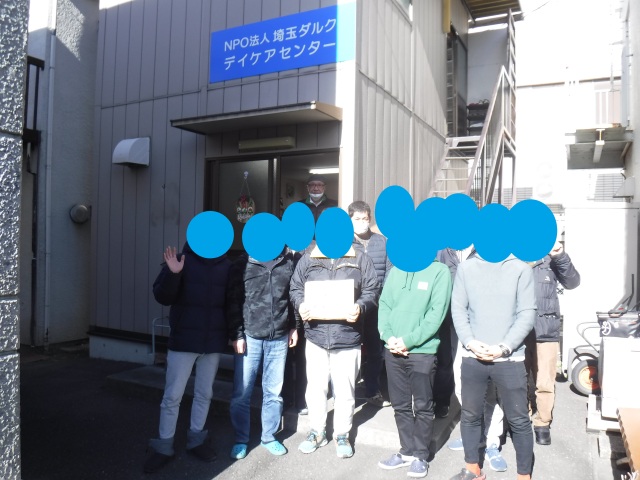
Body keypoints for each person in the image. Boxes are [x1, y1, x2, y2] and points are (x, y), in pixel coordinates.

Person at [144, 243, 233, 474]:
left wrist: (233, 335)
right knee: (172, 395)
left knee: (204, 393)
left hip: (212, 343)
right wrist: (173, 273)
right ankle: (164, 446)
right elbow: (162, 296)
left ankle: (197, 440)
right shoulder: (181, 260)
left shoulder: (226, 266)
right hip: (184, 341)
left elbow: (231, 303)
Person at [289, 241, 379, 459]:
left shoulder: (359, 257)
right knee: (315, 388)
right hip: (316, 337)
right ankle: (317, 432)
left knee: (345, 391)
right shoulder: (309, 257)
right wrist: (301, 304)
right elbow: (295, 287)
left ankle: (342, 434)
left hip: (347, 337)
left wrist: (360, 306)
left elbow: (372, 289)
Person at [450, 253, 536, 480]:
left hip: (510, 359)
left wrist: (504, 346)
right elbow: (458, 309)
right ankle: (472, 469)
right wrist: (469, 341)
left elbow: (527, 314)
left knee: (518, 419)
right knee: (470, 415)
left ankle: (524, 475)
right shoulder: (466, 268)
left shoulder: (520, 269)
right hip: (473, 357)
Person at [376, 262, 452, 478]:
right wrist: (388, 336)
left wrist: (408, 341)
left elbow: (436, 314)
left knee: (423, 405)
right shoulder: (396, 270)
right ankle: (406, 451)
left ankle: (420, 455)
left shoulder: (440, 271)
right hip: (392, 349)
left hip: (422, 351)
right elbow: (384, 305)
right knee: (400, 405)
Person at [440, 247, 508, 473]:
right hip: (461, 332)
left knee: (491, 393)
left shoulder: (488, 250)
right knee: (463, 388)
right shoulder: (446, 251)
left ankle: (491, 442)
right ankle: (473, 435)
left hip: (490, 332)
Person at [227, 247, 298, 460]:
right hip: (250, 337)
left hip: (279, 336)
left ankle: (268, 437)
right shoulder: (242, 264)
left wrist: (294, 327)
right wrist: (237, 334)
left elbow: (292, 298)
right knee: (242, 392)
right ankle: (241, 439)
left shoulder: (287, 263)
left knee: (274, 392)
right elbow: (232, 301)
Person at [528, 240, 580, 446]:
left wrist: (560, 255)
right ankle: (521, 418)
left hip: (546, 330)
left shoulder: (550, 258)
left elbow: (572, 282)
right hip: (518, 331)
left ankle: (542, 422)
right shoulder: (513, 256)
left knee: (545, 381)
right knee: (519, 379)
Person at [348, 201, 393, 408]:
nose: (362, 222)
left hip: (377, 305)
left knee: (376, 350)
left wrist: (384, 296)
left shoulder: (382, 242)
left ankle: (372, 391)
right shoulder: (344, 243)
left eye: (365, 219)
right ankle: (346, 392)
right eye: (357, 219)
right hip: (351, 305)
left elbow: (390, 270)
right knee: (350, 351)